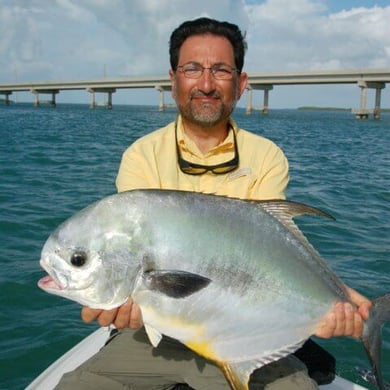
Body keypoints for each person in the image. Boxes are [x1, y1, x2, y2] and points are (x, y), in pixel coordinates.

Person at [56, 17, 371, 390]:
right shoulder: (142, 156)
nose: (206, 84)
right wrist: (123, 302)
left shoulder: (266, 156)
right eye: (192, 69)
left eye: (220, 70)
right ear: (173, 80)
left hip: (243, 330)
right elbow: (138, 266)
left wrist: (333, 302)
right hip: (156, 338)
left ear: (241, 83)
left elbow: (273, 253)